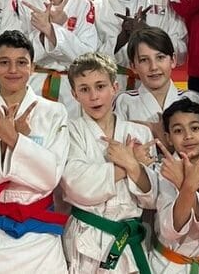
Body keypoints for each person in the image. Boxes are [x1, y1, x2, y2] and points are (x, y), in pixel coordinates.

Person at [0, 30, 69, 271]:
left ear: (33, 67)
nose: (13, 70)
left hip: (40, 237)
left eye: (21, 63)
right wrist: (9, 142)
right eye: (4, 62)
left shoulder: (54, 112)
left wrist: (13, 139)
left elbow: (50, 177)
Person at [61, 51, 156, 273]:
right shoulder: (69, 131)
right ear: (74, 94)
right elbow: (77, 185)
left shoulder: (139, 132)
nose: (94, 96)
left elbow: (152, 198)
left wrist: (131, 165)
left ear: (115, 87)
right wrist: (130, 165)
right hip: (87, 239)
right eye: (84, 89)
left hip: (130, 240)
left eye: (100, 86)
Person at [16, 0, 98, 117]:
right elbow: (20, 56)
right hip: (35, 83)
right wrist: (51, 31)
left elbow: (87, 56)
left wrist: (52, 29)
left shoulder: (83, 3)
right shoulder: (23, 2)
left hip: (74, 86)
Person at [151, 99, 199, 272]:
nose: (188, 136)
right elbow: (171, 229)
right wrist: (188, 186)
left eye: (195, 128)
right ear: (168, 137)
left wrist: (183, 184)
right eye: (178, 130)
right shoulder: (163, 170)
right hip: (168, 266)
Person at [114, 27, 199, 137]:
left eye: (160, 57)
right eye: (144, 60)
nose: (153, 67)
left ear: (173, 60)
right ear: (133, 66)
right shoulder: (124, 102)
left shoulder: (194, 99)